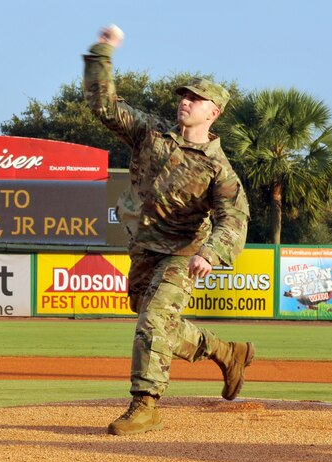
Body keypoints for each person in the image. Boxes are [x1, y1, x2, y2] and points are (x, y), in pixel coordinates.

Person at [83, 25, 254, 436]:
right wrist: (101, 53)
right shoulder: (151, 134)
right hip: (145, 248)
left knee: (153, 322)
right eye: (184, 95)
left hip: (184, 250)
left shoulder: (219, 170)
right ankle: (224, 351)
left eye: (196, 99)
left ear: (213, 113)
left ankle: (145, 405)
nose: (186, 101)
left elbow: (234, 218)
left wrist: (209, 253)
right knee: (152, 318)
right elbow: (103, 105)